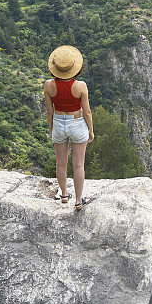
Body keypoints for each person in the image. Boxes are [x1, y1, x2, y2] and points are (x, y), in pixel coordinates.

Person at [44, 45, 94, 210]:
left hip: (58, 122)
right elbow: (86, 112)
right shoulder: (80, 86)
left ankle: (64, 194)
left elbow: (49, 110)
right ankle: (79, 200)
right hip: (77, 123)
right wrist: (90, 130)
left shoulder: (48, 85)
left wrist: (52, 128)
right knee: (78, 165)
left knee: (61, 163)